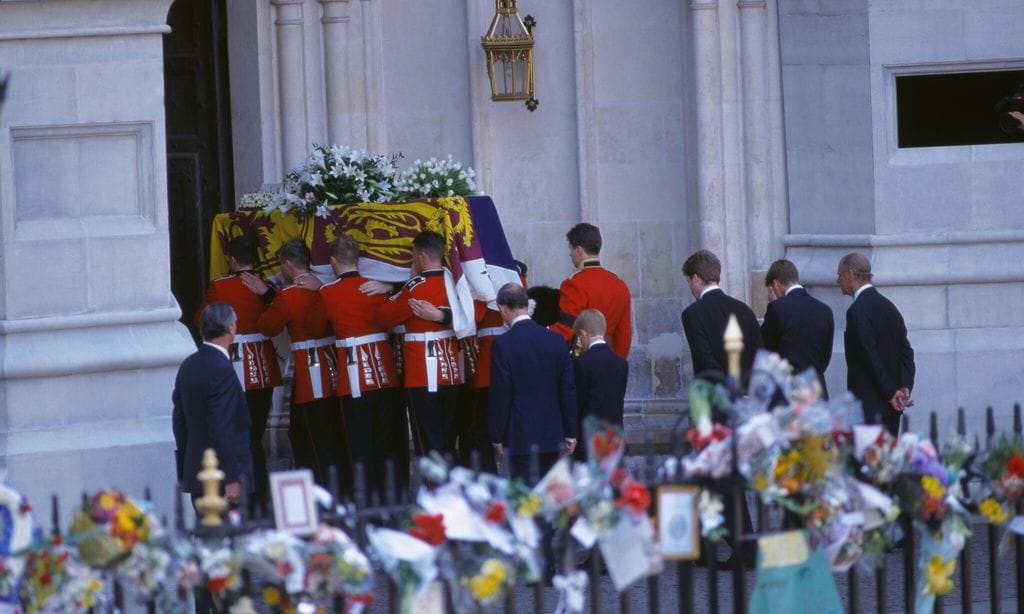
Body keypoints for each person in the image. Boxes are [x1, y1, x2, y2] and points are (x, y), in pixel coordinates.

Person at [312, 233, 408, 496]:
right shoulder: (377, 287)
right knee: (387, 441)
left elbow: (318, 327)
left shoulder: (327, 292)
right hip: (385, 372)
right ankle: (393, 496)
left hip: (352, 378)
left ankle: (366, 501)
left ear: (333, 262)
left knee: (359, 445)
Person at [194, 235, 281, 509]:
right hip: (263, 368)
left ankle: (248, 494)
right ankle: (262, 496)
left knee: (238, 436)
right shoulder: (266, 286)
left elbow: (201, 319)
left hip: (234, 365)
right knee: (255, 435)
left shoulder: (221, 286)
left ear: (232, 259)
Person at [246, 239, 340, 486]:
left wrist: (268, 296)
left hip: (311, 371)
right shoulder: (327, 287)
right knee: (324, 431)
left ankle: (317, 490)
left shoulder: (289, 295)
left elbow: (267, 326)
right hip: (334, 365)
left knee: (309, 435)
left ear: (287, 265)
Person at [376, 231, 463, 458]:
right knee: (447, 443)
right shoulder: (455, 283)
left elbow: (383, 317)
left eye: (413, 255)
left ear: (422, 256)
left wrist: (395, 288)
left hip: (422, 374)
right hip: (452, 372)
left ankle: (436, 492)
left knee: (428, 445)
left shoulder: (415, 287)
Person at [489, 283, 577, 483]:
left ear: (502, 308)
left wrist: (497, 434)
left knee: (524, 501)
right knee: (548, 497)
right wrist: (571, 432)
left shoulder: (503, 344)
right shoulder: (556, 340)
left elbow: (501, 394)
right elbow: (567, 389)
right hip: (552, 433)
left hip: (519, 434)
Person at [173, 303, 253, 508]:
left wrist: (187, 466)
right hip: (220, 478)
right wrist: (232, 478)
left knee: (205, 537)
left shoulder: (188, 364)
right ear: (232, 328)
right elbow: (221, 426)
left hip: (197, 472)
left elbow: (179, 421)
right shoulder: (221, 369)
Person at [837, 252, 915, 435]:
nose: (837, 280)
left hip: (868, 408)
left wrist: (890, 393)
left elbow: (868, 355)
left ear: (850, 275)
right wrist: (904, 387)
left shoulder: (856, 312)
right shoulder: (889, 307)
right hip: (892, 408)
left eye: (840, 275)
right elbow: (907, 351)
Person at [551, 223, 632, 359]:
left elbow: (566, 330)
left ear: (579, 250)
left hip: (582, 362)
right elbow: (624, 334)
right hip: (611, 362)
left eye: (570, 248)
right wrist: (617, 363)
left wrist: (539, 336)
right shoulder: (619, 284)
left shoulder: (574, 284)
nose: (570, 254)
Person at [681, 249, 763, 383]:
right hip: (747, 397)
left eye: (688, 281)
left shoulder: (692, 314)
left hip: (716, 397)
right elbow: (759, 356)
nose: (690, 287)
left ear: (695, 279)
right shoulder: (744, 310)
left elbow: (705, 361)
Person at [761, 258, 835, 397]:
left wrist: (775, 304)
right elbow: (825, 358)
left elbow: (765, 350)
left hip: (787, 392)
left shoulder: (777, 309)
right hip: (816, 390)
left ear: (775, 283)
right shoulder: (824, 310)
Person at [571, 309, 628, 461]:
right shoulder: (621, 363)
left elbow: (579, 403)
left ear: (583, 334)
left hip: (591, 440)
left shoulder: (582, 363)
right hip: (615, 437)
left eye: (579, 337)